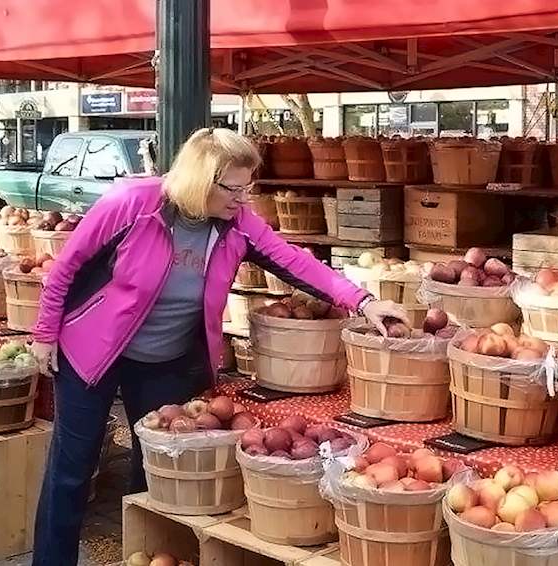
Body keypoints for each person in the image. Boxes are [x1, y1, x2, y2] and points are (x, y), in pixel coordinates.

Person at [28, 128, 407, 566]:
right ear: (199, 179)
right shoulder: (131, 203)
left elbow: (293, 260)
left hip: (165, 360)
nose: (243, 198)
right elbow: (65, 269)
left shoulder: (237, 224)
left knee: (155, 471)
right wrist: (44, 334)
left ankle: (143, 557)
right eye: (232, 188)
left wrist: (364, 300)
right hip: (91, 355)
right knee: (72, 472)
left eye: (248, 187)